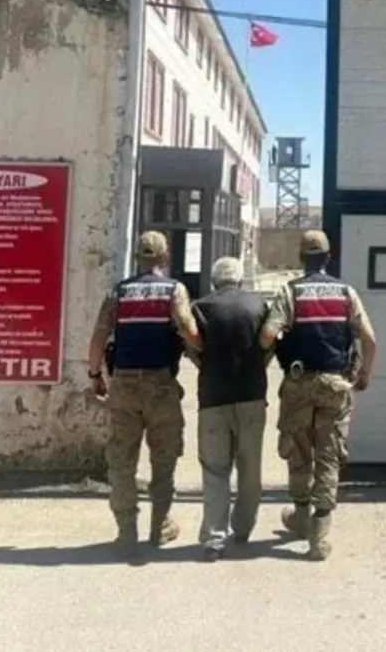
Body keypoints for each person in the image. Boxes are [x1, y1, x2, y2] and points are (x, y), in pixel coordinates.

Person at [259, 229, 377, 561]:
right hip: (336, 384)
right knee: (328, 455)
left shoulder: (290, 292)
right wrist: (364, 375)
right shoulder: (345, 293)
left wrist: (279, 344)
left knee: (298, 451)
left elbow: (267, 335)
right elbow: (369, 339)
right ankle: (319, 536)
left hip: (298, 384)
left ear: (301, 258)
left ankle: (300, 516)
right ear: (328, 257)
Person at [86, 230, 200, 558]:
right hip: (161, 384)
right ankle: (159, 526)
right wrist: (204, 352)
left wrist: (95, 375)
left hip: (123, 385)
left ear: (138, 257)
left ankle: (126, 533)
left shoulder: (118, 292)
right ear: (164, 257)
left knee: (122, 461)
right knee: (163, 459)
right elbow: (188, 329)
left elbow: (98, 339)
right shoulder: (174, 290)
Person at [187, 256, 272, 561]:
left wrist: (203, 364)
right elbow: (270, 342)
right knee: (250, 467)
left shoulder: (200, 308)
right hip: (252, 396)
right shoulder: (258, 304)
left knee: (215, 469)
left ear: (214, 282)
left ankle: (214, 539)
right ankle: (243, 528)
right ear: (239, 280)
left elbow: (191, 343)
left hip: (213, 399)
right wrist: (260, 366)